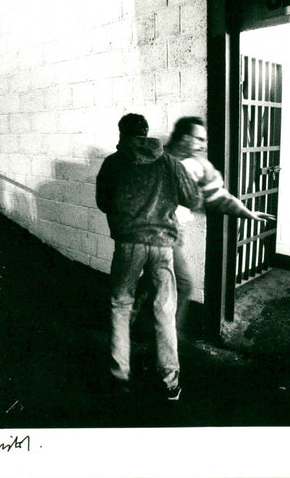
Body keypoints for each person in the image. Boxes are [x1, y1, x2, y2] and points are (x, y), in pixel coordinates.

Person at [96, 113, 200, 401]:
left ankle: (120, 377)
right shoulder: (169, 163)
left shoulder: (112, 163)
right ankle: (170, 382)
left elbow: (103, 202)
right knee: (165, 311)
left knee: (120, 305)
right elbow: (192, 199)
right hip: (163, 246)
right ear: (145, 132)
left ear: (122, 133)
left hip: (128, 245)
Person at [164, 116, 276, 331]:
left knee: (159, 279)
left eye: (204, 140)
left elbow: (218, 196)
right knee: (183, 284)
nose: (203, 145)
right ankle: (169, 338)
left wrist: (247, 213)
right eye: (198, 139)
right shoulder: (158, 158)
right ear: (184, 138)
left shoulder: (199, 165)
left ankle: (136, 318)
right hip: (154, 233)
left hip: (172, 232)